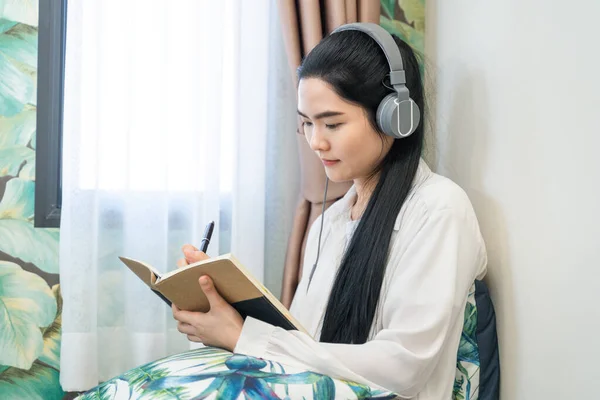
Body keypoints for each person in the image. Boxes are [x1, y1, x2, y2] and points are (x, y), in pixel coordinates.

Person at [171, 23, 487, 399]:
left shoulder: (439, 209)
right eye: (306, 123)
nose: (316, 142)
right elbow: (309, 349)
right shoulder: (330, 222)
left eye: (332, 123)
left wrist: (245, 337)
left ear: (395, 117)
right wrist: (222, 316)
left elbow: (403, 366)